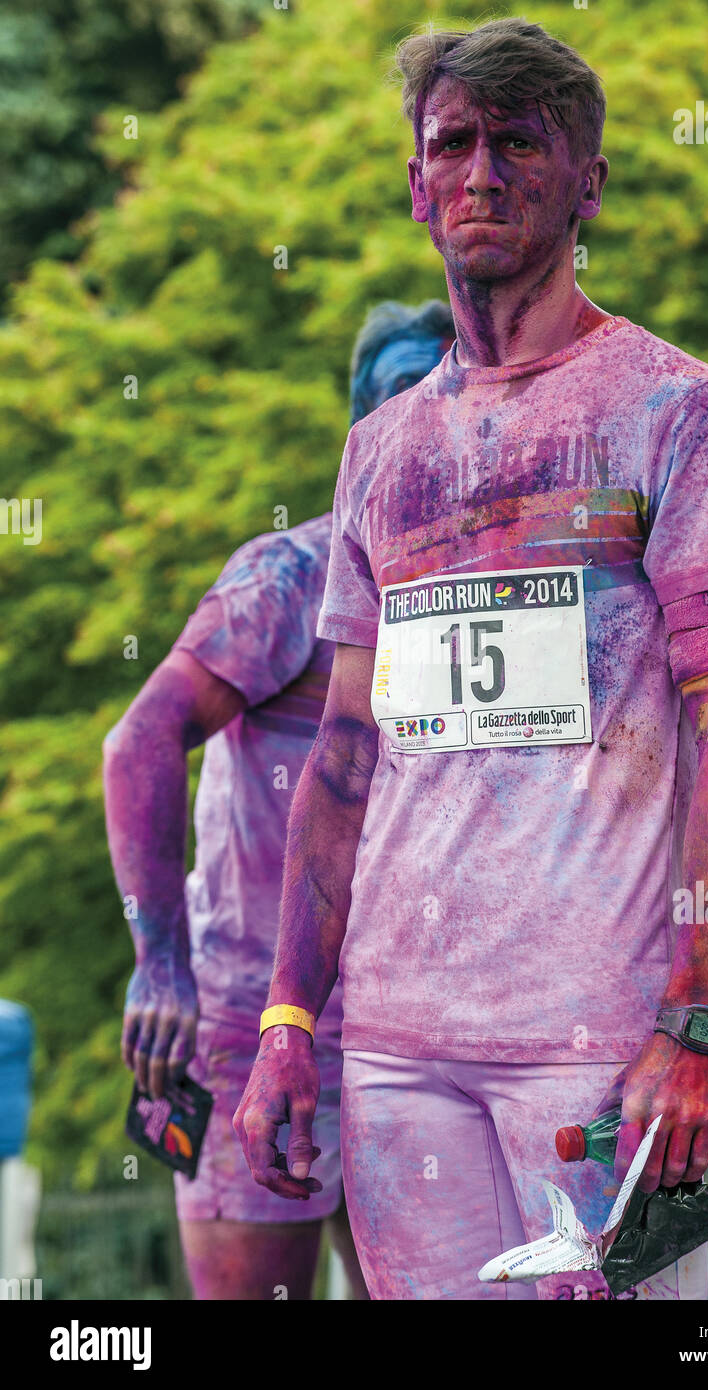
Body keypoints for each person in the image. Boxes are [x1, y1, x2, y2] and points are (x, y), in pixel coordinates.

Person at [235, 18, 708, 1300]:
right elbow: (340, 757)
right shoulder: (379, 451)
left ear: (585, 178)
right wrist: (286, 1022)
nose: (482, 173)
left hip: (594, 1048)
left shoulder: (679, 412)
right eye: (454, 142)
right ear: (413, 179)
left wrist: (696, 1023)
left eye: (521, 144)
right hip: (393, 1051)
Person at [103, 298, 455, 1300]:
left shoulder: (482, 593)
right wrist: (158, 965)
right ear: (361, 429)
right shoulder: (289, 577)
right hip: (250, 1024)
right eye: (401, 394)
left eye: (447, 388)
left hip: (415, 1030)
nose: (425, 413)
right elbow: (138, 741)